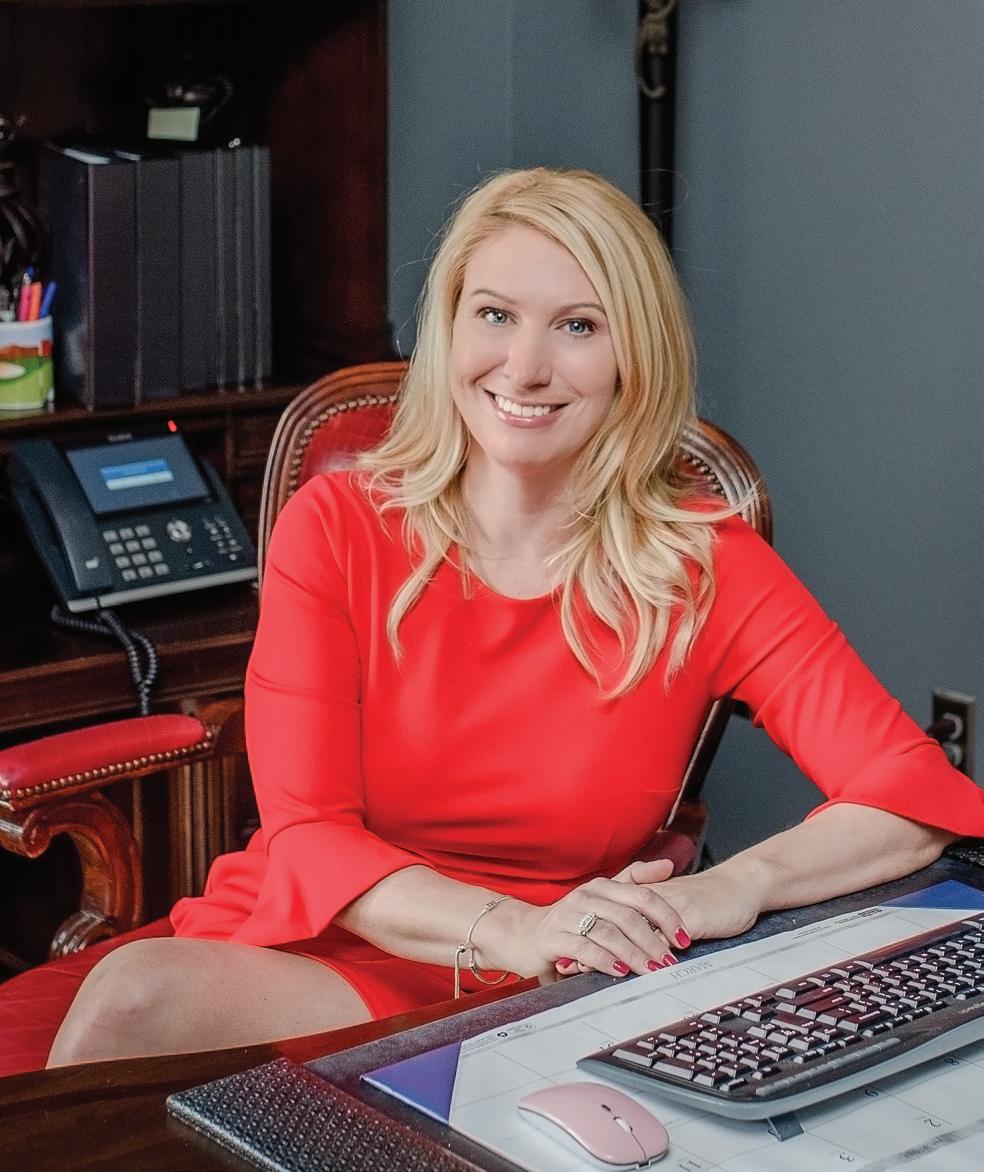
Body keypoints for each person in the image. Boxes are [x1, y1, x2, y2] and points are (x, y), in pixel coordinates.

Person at [47, 167, 984, 1066]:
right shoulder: (335, 527)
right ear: (451, 329)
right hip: (332, 942)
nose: (524, 368)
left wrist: (729, 890)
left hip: (557, 976)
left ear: (635, 357)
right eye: (494, 315)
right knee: (134, 996)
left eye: (579, 326)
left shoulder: (706, 563)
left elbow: (909, 791)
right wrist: (511, 928)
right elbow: (310, 838)